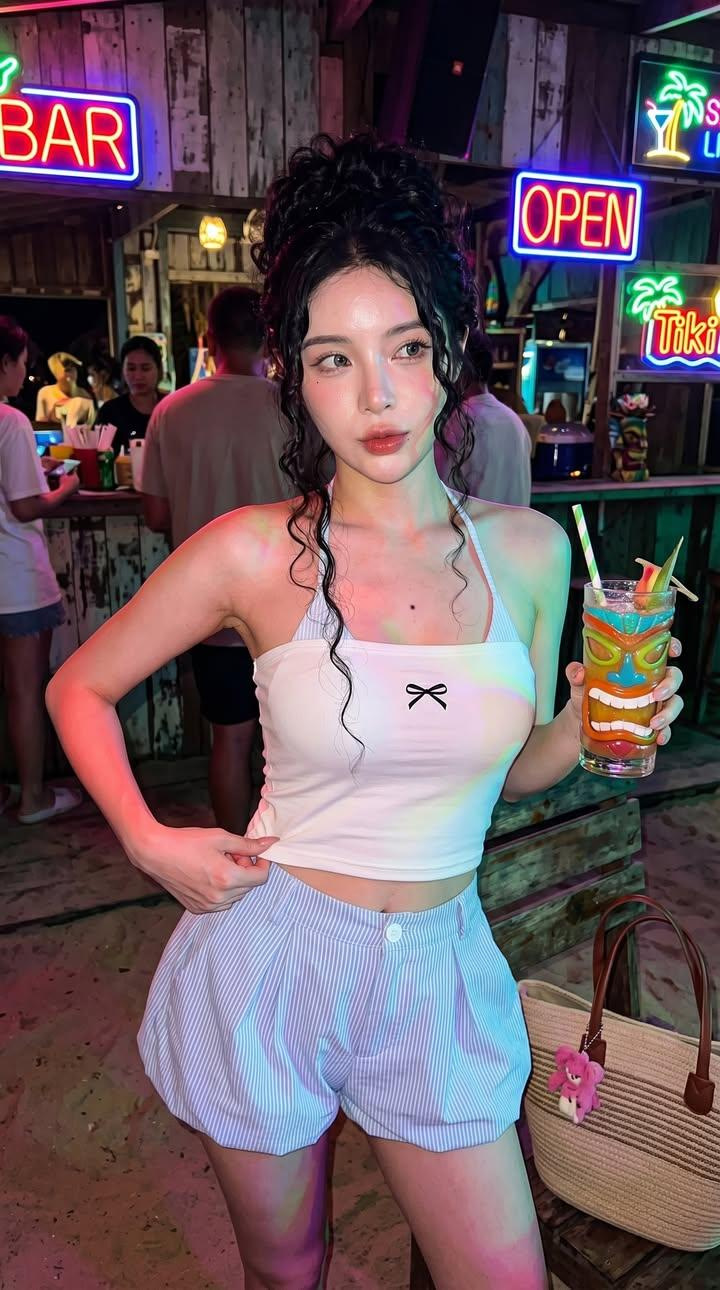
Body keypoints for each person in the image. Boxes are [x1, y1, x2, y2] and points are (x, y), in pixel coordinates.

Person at [45, 136, 684, 1290]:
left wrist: (592, 720)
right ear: (293, 374)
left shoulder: (533, 553)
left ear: (450, 353)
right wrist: (148, 839)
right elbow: (75, 686)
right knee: (290, 1269)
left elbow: (514, 770)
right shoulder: (252, 552)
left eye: (406, 348)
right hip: (272, 955)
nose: (377, 395)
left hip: (439, 970)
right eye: (335, 359)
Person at [141, 286, 291, 834]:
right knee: (293, 744)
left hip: (210, 609)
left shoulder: (170, 411)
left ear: (209, 340)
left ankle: (234, 852)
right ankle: (289, 858)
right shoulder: (294, 406)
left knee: (229, 738)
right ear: (269, 338)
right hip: (288, 602)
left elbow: (156, 514)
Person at [0, 318, 82, 824]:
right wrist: (65, 489)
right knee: (25, 692)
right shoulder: (10, 421)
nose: (23, 375)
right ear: (5, 363)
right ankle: (33, 798)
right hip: (14, 580)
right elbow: (26, 506)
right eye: (22, 365)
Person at [435, 329, 532, 506]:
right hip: (515, 524)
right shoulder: (515, 422)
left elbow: (438, 491)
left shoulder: (460, 422)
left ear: (459, 368)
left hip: (474, 524)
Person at [95, 335, 163, 455]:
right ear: (123, 370)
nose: (138, 376)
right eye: (131, 369)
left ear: (158, 369)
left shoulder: (171, 408)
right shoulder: (110, 412)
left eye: (145, 368)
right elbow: (99, 457)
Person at [35, 352, 95, 427]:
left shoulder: (84, 394)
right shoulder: (46, 392)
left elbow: (91, 424)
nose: (71, 374)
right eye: (67, 370)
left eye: (73, 369)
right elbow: (41, 425)